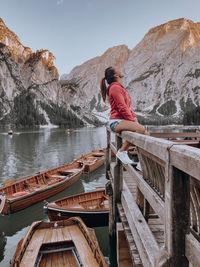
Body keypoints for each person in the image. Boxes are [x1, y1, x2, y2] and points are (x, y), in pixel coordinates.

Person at [100, 66, 150, 165]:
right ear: (116, 75)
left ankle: (143, 164)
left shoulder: (118, 87)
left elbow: (128, 107)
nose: (121, 68)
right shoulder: (115, 87)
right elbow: (122, 107)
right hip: (116, 122)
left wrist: (134, 118)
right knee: (140, 129)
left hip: (123, 121)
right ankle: (122, 152)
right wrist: (133, 122)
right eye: (118, 68)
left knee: (147, 135)